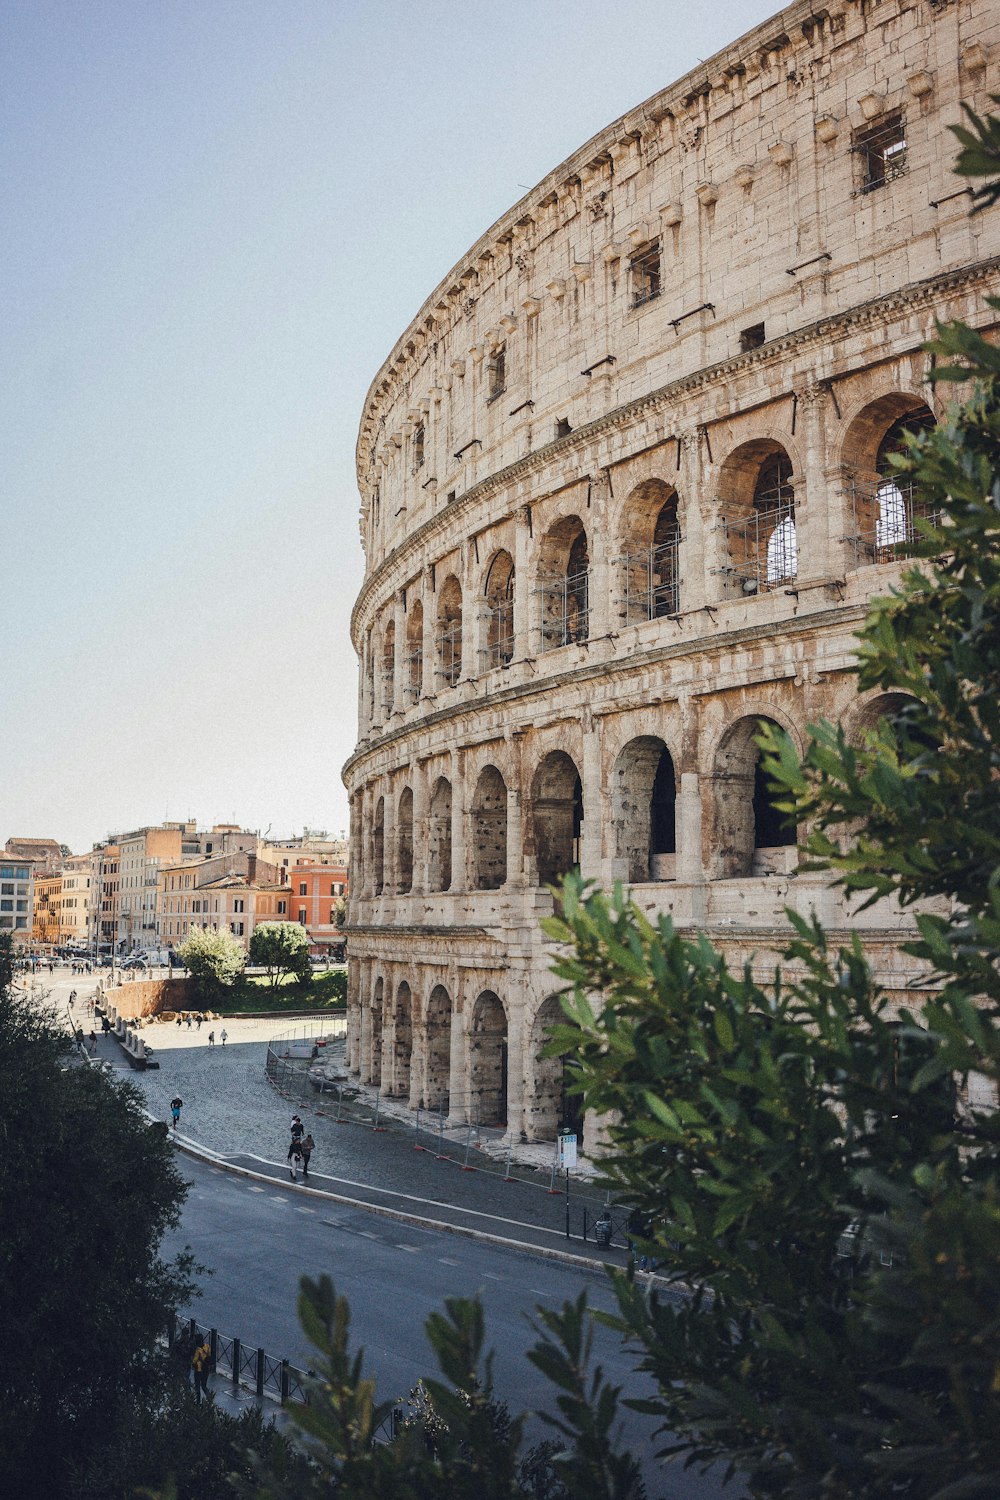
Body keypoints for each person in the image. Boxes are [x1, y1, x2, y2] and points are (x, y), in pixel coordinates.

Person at [191, 1334, 212, 1403]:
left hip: (199, 1370)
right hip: (206, 1369)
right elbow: (209, 1356)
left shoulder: (197, 1350)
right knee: (204, 1386)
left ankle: (198, 1402)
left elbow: (194, 1361)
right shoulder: (207, 1346)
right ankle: (210, 1399)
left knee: (197, 1386)